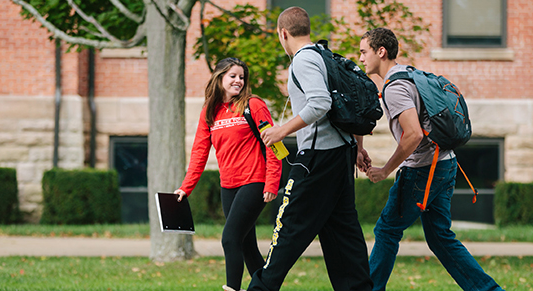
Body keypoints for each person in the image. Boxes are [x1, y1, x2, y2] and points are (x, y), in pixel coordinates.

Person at [357, 28, 505, 291]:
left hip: (422, 170)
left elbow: (413, 135)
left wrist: (386, 170)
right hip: (446, 163)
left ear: (381, 52)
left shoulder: (395, 87)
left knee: (387, 231)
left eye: (363, 51)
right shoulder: (410, 75)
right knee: (440, 238)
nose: (361, 58)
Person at [247, 6, 373, 291]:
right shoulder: (325, 56)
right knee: (344, 236)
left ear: (283, 34)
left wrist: (281, 130)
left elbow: (320, 103)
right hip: (341, 154)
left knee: (288, 228)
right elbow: (348, 104)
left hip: (317, 158)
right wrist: (357, 145)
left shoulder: (303, 61)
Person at [174, 57, 282, 291]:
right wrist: (186, 187)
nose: (238, 81)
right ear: (220, 77)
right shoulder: (209, 112)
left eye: (242, 77)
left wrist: (272, 182)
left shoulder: (253, 105)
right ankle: (267, 288)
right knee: (246, 245)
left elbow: (274, 145)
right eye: (233, 76)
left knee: (230, 238)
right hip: (229, 186)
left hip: (254, 181)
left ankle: (232, 288)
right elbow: (199, 152)